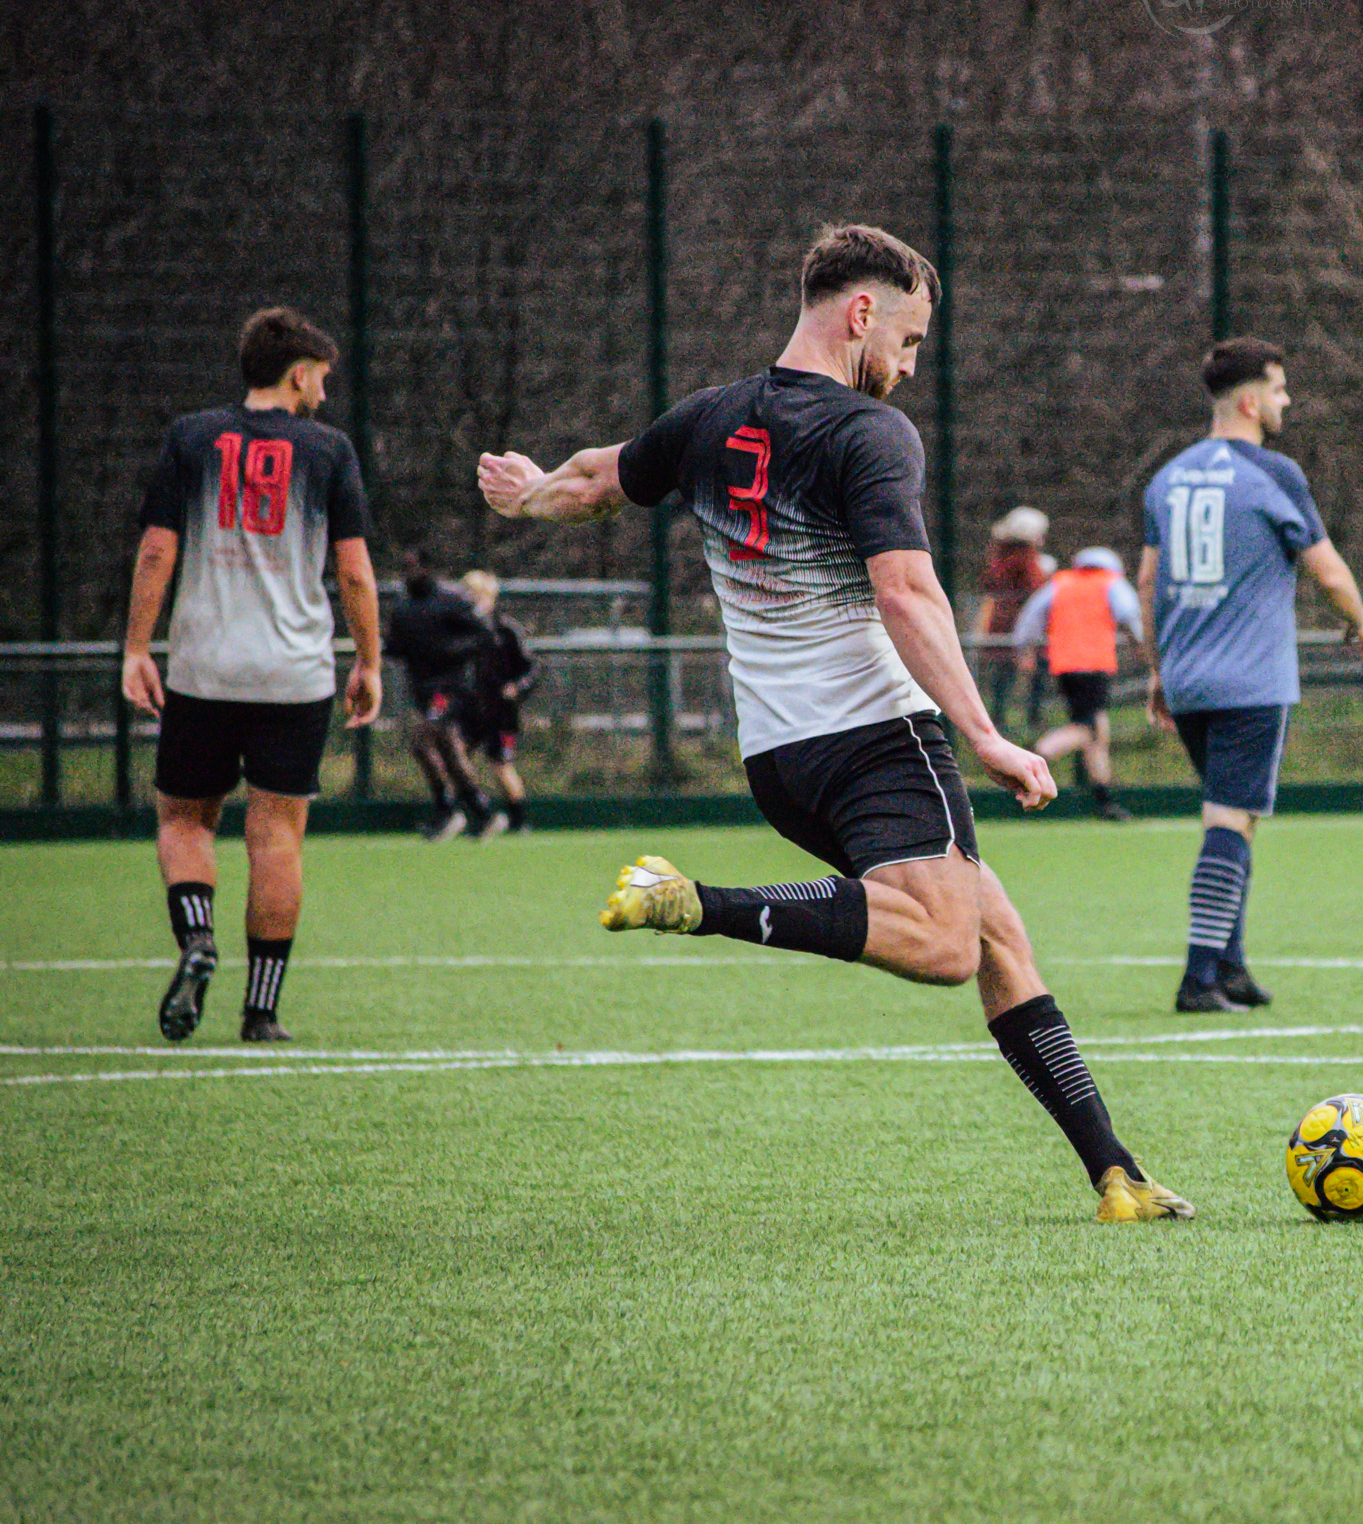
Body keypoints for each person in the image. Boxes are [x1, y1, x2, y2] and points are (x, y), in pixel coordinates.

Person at [477, 222, 1192, 1223]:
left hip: (779, 758)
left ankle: (1114, 1171)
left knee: (996, 933)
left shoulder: (707, 419)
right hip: (875, 737)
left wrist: (528, 497)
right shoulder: (869, 432)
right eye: (908, 340)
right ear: (861, 312)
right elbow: (903, 590)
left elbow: (600, 476)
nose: (908, 363)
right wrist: (983, 733)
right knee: (948, 944)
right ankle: (699, 902)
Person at [120, 307, 383, 1044]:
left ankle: (197, 937)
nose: (324, 395)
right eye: (321, 380)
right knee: (276, 836)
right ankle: (261, 1012)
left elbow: (155, 552)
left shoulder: (192, 439)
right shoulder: (328, 450)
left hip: (205, 665)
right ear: (299, 372)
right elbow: (355, 572)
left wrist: (138, 647)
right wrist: (367, 658)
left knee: (183, 817)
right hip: (295, 672)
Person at [1138, 337, 1363, 1014]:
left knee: (1234, 816)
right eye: (1278, 389)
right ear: (1249, 400)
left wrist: (1158, 671)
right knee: (1229, 816)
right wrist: (1360, 622)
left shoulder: (1167, 477)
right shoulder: (1275, 473)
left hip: (1187, 678)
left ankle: (1232, 966)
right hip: (1251, 681)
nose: (1285, 400)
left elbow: (1148, 582)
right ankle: (1198, 977)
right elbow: (1327, 569)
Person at [1011, 547, 1144, 821]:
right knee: (1088, 729)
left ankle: (1104, 799)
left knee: (1097, 729)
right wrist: (1139, 645)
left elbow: (1028, 620)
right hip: (1094, 666)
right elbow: (1130, 613)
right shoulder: (1111, 583)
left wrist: (1026, 651)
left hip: (1064, 667)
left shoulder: (1060, 583)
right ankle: (1036, 755)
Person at [385, 553, 499, 841]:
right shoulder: (404, 609)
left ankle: (447, 810)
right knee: (449, 750)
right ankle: (481, 811)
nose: (412, 573)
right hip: (422, 689)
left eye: (417, 567)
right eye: (407, 568)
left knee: (423, 740)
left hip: (448, 687)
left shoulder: (449, 603)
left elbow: (484, 636)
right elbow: (396, 647)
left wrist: (452, 651)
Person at [457, 570, 538, 833]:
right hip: (471, 707)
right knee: (458, 757)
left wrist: (517, 688)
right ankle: (476, 813)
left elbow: (531, 668)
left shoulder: (506, 630)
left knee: (501, 764)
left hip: (501, 711)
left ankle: (519, 819)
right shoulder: (461, 630)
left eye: (476, 595)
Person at [973, 507, 1052, 733]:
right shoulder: (1024, 556)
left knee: (1002, 673)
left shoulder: (998, 556)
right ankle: (1033, 718)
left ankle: (999, 718)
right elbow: (1035, 584)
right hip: (1020, 623)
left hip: (1001, 623)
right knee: (1031, 670)